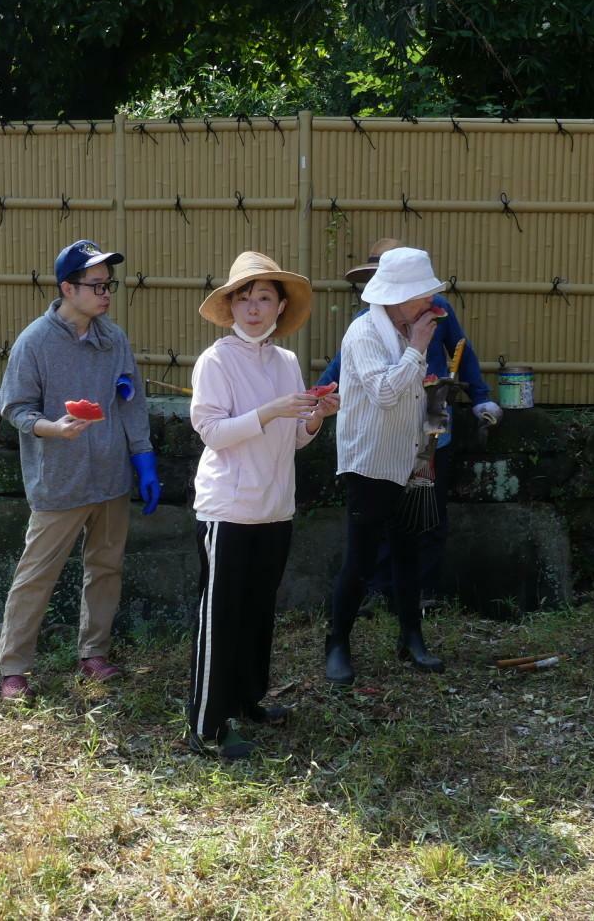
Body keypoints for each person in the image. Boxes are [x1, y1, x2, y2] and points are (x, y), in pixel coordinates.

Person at [186, 251, 340, 759]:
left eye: (264, 298)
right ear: (230, 306)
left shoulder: (287, 362)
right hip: (228, 508)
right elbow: (211, 431)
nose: (253, 308)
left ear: (280, 308)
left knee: (257, 613)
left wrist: (316, 416)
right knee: (221, 615)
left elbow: (295, 438)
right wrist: (271, 410)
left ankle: (249, 699)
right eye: (244, 298)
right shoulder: (216, 360)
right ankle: (206, 725)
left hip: (276, 506)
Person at [0, 239, 161, 699]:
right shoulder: (35, 342)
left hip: (111, 478)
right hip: (60, 480)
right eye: (96, 285)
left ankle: (94, 654)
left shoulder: (114, 339)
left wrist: (143, 460)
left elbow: (130, 402)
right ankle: (14, 668)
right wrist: (51, 427)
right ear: (68, 288)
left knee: (105, 567)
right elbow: (15, 407)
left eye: (109, 285)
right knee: (36, 573)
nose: (106, 293)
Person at [319, 238, 502, 604]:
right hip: (385, 435)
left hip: (433, 413)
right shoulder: (364, 326)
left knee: (428, 509)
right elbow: (343, 370)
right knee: (387, 521)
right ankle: (381, 591)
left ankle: (425, 592)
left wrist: (480, 398)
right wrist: (317, 395)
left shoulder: (439, 309)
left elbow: (462, 351)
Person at [325, 246, 453, 687]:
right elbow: (384, 392)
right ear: (397, 296)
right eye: (421, 295)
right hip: (369, 462)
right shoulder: (364, 333)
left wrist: (434, 425)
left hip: (411, 460)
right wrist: (418, 348)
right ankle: (337, 642)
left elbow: (418, 393)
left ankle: (411, 638)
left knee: (408, 553)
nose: (429, 304)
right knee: (360, 557)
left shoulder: (407, 328)